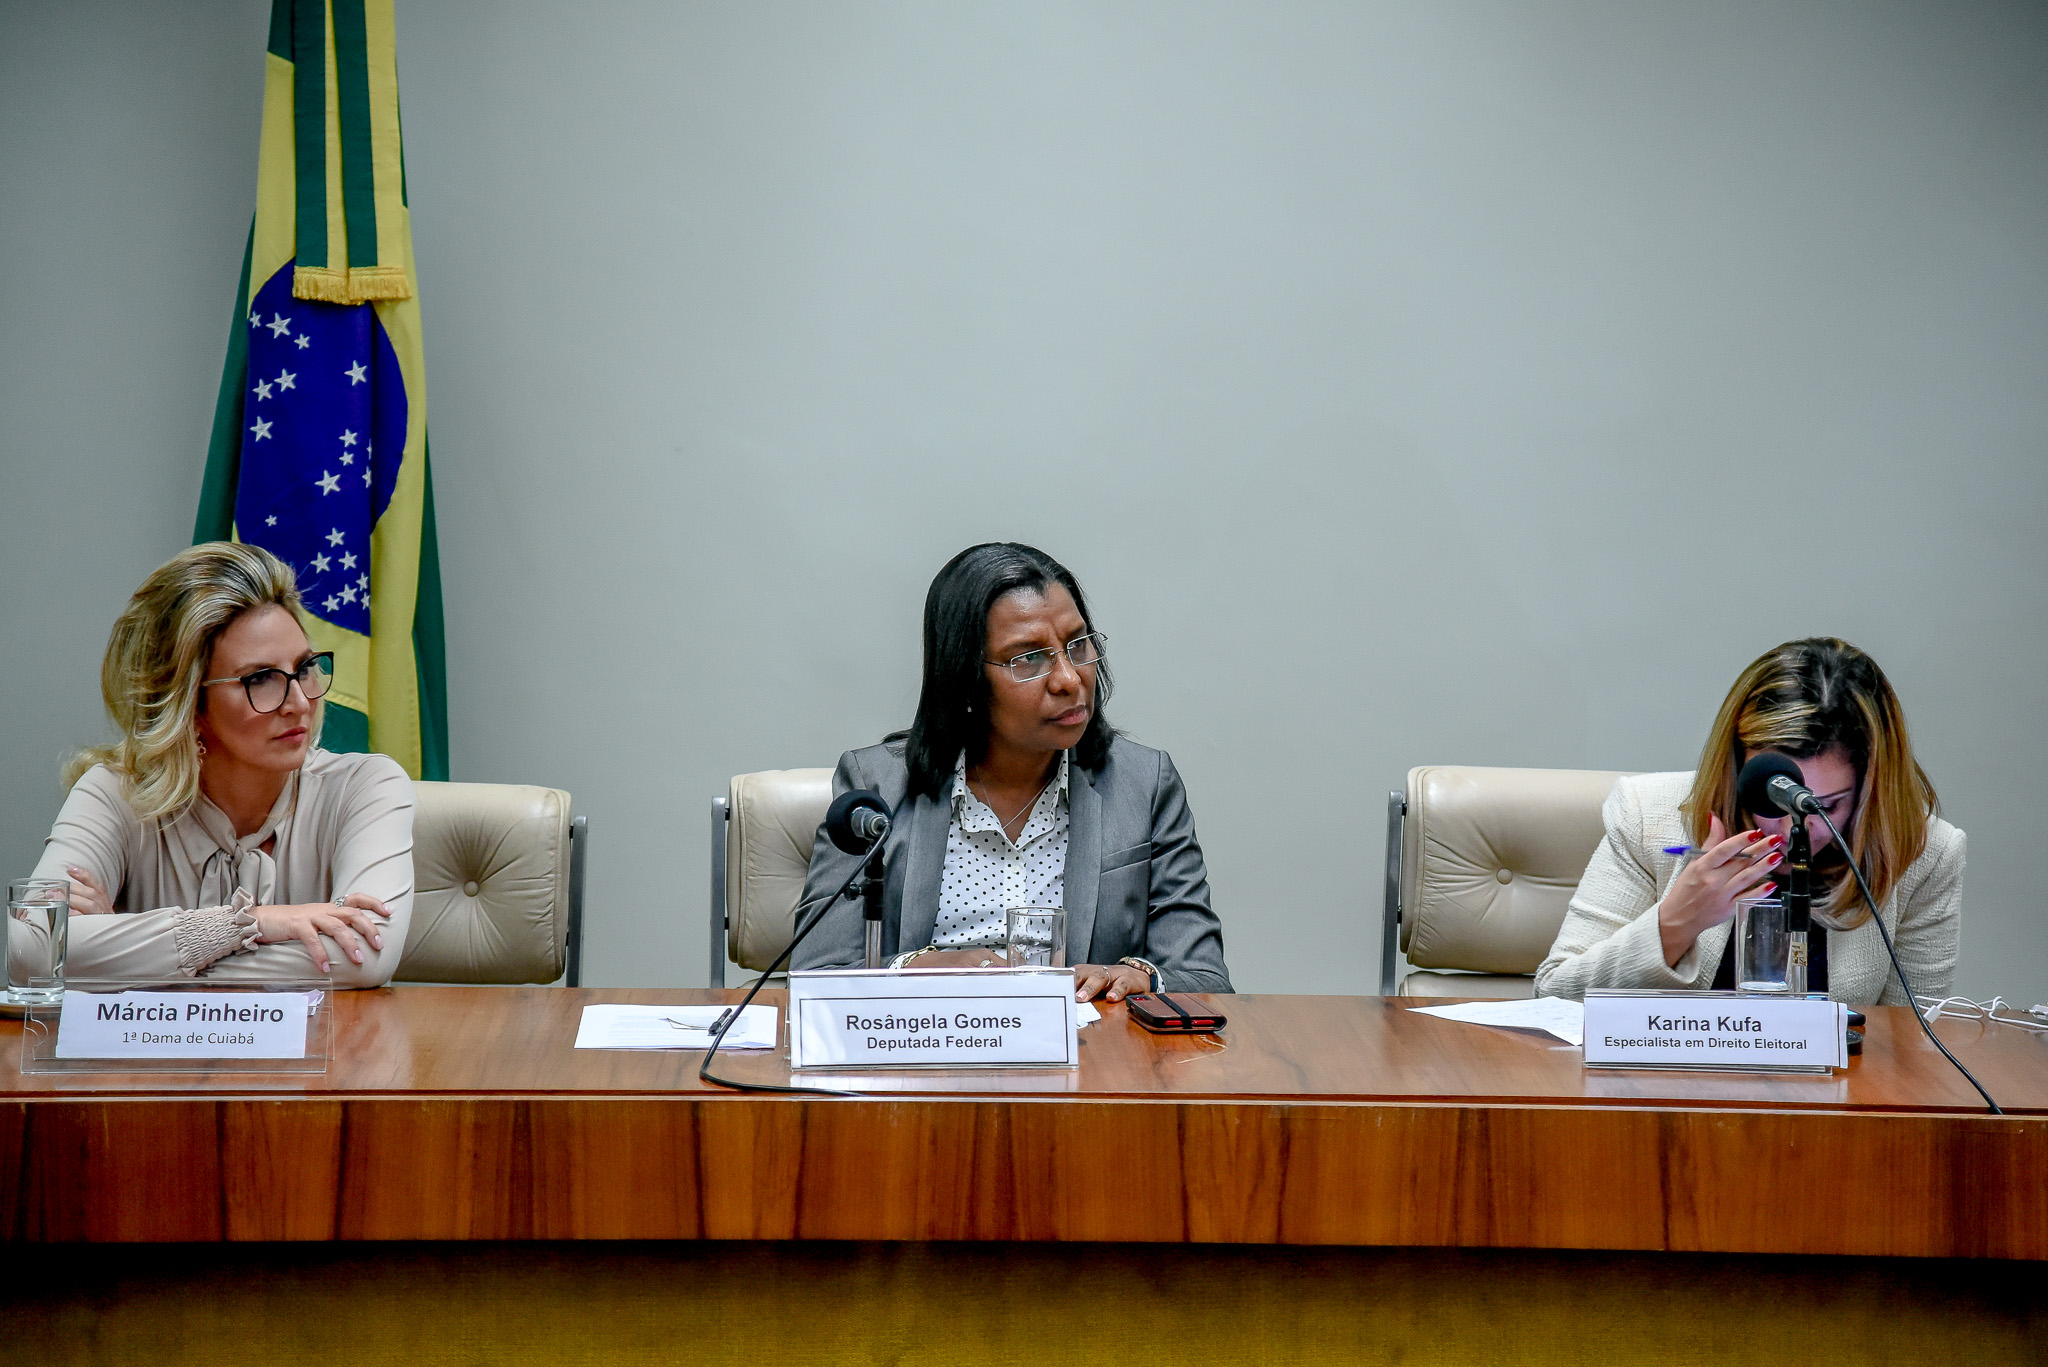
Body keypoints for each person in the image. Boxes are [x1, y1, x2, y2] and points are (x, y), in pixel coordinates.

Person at [792, 543, 1231, 1002]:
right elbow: (815, 972)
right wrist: (917, 968)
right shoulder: (875, 787)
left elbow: (1206, 978)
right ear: (964, 678)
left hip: (1086, 1043)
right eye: (1029, 658)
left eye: (1078, 645)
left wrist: (1141, 977)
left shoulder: (1144, 784)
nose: (1069, 679)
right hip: (931, 1037)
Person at [14, 543, 413, 988]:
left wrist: (120, 949)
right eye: (261, 679)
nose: (300, 702)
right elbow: (33, 951)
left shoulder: (367, 787)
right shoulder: (113, 793)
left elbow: (363, 957)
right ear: (188, 704)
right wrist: (251, 923)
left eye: (304, 668)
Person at [1536, 638, 1963, 1005]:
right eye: (1772, 800)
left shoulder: (1925, 854)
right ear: (1737, 767)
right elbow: (1553, 995)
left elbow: (1912, 1048)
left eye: (1825, 808)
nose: (1791, 830)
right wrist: (1678, 921)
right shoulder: (1648, 816)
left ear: (1871, 791)